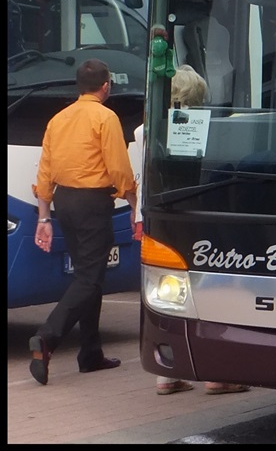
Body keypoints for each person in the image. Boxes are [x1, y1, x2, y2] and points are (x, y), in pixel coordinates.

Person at [136, 66, 249, 396]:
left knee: (169, 297)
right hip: (201, 218)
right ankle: (218, 375)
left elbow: (139, 178)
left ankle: (167, 373)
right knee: (217, 294)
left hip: (159, 218)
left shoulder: (144, 129)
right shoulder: (206, 126)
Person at [29, 59, 137, 385]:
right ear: (106, 86)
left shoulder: (58, 119)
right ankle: (47, 337)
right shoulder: (105, 117)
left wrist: (44, 217)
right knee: (90, 278)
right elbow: (118, 167)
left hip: (64, 201)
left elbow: (45, 170)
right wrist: (135, 204)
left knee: (88, 276)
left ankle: (90, 353)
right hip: (93, 203)